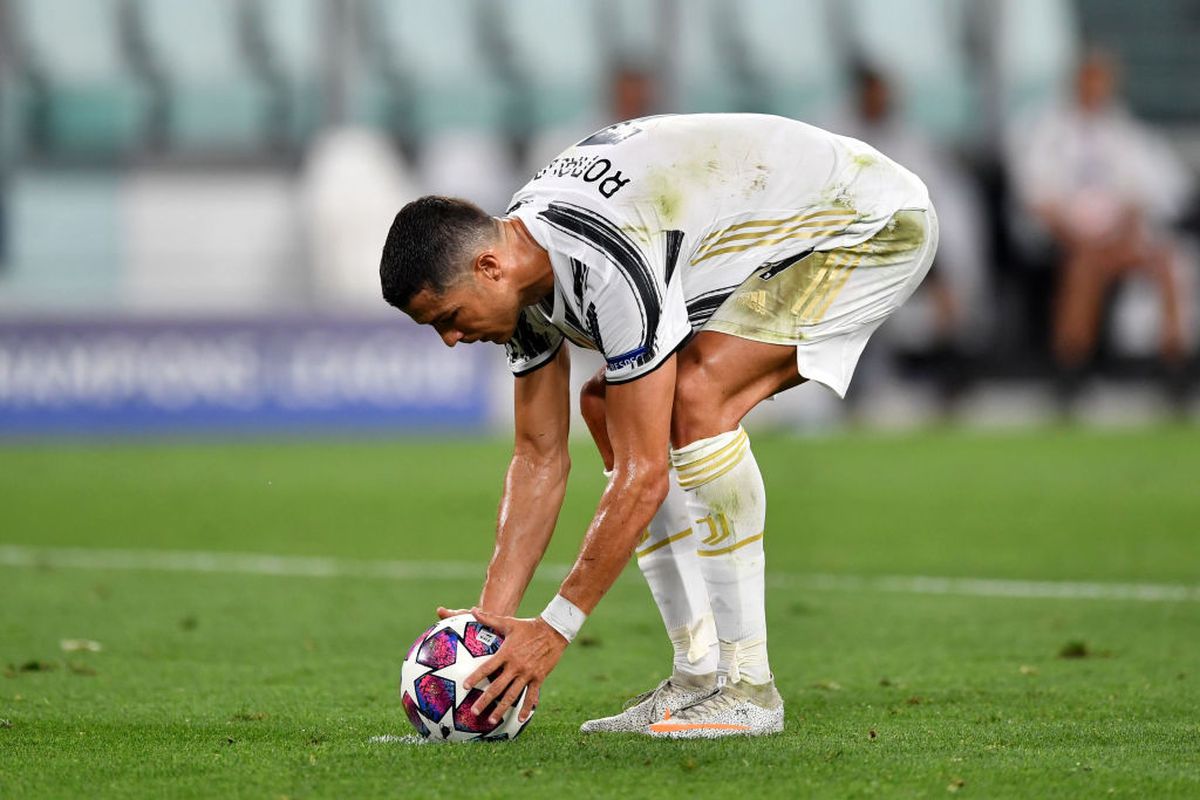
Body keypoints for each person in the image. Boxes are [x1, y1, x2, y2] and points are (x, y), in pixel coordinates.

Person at [379, 113, 937, 737]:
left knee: (697, 398)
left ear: (488, 268)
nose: (452, 340)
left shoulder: (607, 259)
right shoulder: (520, 272)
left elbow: (644, 479)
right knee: (604, 406)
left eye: (448, 318)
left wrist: (554, 630)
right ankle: (697, 678)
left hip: (865, 224)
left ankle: (750, 689)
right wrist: (490, 628)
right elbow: (538, 456)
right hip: (768, 230)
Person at [1008, 51, 1192, 404]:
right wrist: (1078, 237)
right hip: (1068, 240)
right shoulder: (1049, 131)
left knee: (1167, 263)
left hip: (1117, 239)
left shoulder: (1121, 130)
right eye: (1089, 79)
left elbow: (1140, 193)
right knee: (1084, 268)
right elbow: (1038, 199)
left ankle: (1174, 368)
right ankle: (1071, 371)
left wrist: (1122, 231)